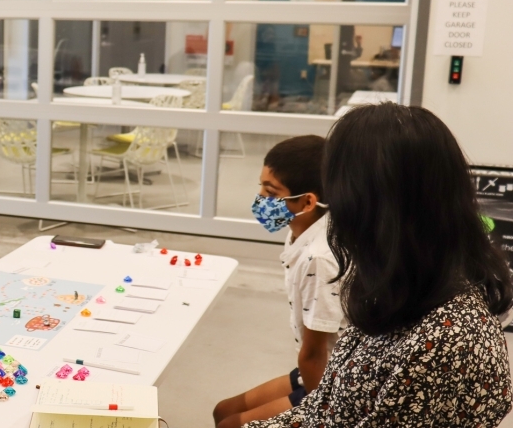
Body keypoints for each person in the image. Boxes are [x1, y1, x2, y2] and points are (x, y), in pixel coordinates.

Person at [246, 103, 513, 427]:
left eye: (341, 194)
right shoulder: (405, 288)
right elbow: (328, 403)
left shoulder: (436, 341)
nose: (336, 215)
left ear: (376, 207)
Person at [213, 136, 345, 428]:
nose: (259, 197)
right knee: (223, 411)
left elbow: (313, 354)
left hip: (335, 383)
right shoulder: (306, 226)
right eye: (261, 185)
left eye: (270, 191)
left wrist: (316, 415)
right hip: (318, 369)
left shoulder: (319, 259)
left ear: (308, 201)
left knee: (229, 425)